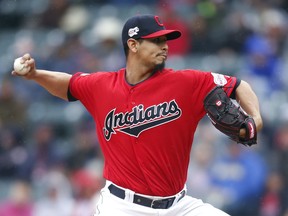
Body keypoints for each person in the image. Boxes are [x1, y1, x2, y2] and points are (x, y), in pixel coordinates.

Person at [12, 14, 263, 216]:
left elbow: (240, 86)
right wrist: (35, 75)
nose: (164, 46)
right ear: (132, 44)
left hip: (179, 206)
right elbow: (68, 84)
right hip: (122, 207)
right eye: (155, 41)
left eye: (165, 40)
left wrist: (256, 118)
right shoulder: (102, 85)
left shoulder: (187, 82)